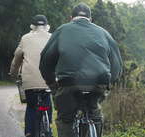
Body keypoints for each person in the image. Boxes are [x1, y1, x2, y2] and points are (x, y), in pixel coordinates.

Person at [39, 3, 122, 137]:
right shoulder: (103, 32)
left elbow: (45, 60)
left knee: (65, 119)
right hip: (98, 82)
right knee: (95, 111)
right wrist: (108, 81)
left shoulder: (62, 30)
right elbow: (117, 63)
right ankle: (95, 122)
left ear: (71, 18)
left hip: (69, 83)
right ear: (90, 19)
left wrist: (51, 81)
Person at [9, 15, 53, 137]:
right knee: (47, 100)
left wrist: (14, 74)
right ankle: (48, 127)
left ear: (32, 26)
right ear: (46, 26)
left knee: (31, 106)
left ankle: (29, 133)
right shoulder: (53, 38)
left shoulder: (25, 38)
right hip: (48, 80)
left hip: (29, 81)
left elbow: (16, 60)